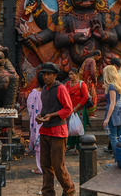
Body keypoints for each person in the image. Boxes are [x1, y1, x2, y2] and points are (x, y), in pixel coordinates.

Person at [35, 62, 75, 196]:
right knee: (45, 165)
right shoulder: (45, 90)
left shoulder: (61, 88)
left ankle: (69, 190)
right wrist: (40, 116)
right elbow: (46, 109)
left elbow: (68, 109)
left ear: (55, 75)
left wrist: (51, 115)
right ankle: (48, 192)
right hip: (45, 130)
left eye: (48, 74)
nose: (45, 77)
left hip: (58, 131)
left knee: (58, 166)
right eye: (44, 74)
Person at [102, 65, 121, 161]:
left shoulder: (111, 86)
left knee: (113, 137)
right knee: (120, 136)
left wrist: (107, 118)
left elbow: (112, 103)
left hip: (113, 112)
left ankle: (117, 159)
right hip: (120, 110)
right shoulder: (116, 84)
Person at [65, 68, 89, 152]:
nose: (70, 76)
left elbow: (85, 97)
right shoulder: (67, 84)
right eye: (69, 74)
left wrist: (76, 107)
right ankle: (70, 145)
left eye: (72, 74)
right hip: (70, 109)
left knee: (79, 128)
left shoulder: (82, 84)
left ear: (77, 74)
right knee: (70, 127)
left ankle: (79, 146)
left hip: (80, 110)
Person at [27, 72, 44, 175]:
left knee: (39, 147)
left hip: (37, 122)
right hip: (48, 120)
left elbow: (30, 108)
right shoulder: (51, 92)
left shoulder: (34, 93)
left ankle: (40, 168)